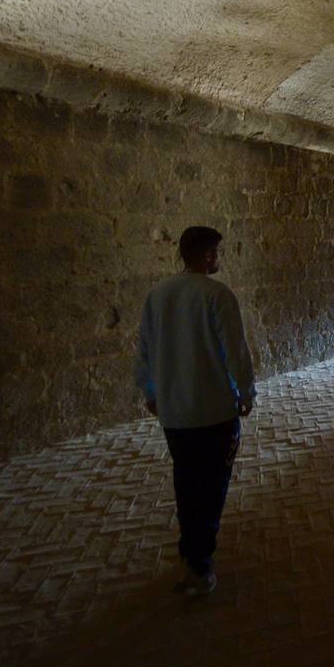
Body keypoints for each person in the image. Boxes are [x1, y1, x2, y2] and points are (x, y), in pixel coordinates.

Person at [134, 226, 256, 595]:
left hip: (175, 412)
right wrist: (245, 391)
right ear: (206, 255)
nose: (219, 258)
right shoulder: (217, 295)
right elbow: (235, 350)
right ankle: (201, 565)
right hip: (215, 410)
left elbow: (145, 350)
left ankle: (191, 552)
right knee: (213, 486)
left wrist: (151, 391)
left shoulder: (158, 295)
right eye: (217, 252)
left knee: (186, 482)